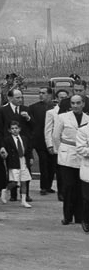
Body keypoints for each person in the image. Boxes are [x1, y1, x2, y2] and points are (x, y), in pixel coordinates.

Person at [53, 95, 88, 225]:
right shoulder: (62, 117)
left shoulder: (87, 119)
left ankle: (80, 217)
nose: (75, 106)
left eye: (78, 103)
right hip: (67, 155)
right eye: (73, 103)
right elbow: (56, 136)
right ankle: (67, 216)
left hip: (82, 157)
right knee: (68, 187)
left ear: (83, 104)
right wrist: (59, 151)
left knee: (80, 188)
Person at [1, 121, 33, 208]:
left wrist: (30, 158)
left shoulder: (24, 138)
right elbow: (3, 148)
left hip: (23, 161)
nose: (14, 130)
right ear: (9, 130)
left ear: (19, 129)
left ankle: (23, 200)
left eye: (16, 128)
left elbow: (28, 149)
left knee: (24, 182)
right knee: (14, 182)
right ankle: (6, 190)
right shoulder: (7, 140)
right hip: (14, 162)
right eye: (12, 128)